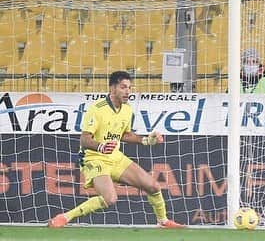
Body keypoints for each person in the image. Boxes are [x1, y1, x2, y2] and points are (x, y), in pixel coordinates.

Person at [48, 71, 184, 229]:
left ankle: (163, 222)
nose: (128, 91)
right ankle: (64, 217)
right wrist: (101, 146)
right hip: (94, 158)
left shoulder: (127, 109)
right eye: (123, 87)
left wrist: (147, 140)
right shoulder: (97, 109)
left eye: (129, 87)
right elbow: (84, 139)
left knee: (153, 186)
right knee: (110, 198)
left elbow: (125, 135)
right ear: (112, 88)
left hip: (115, 157)